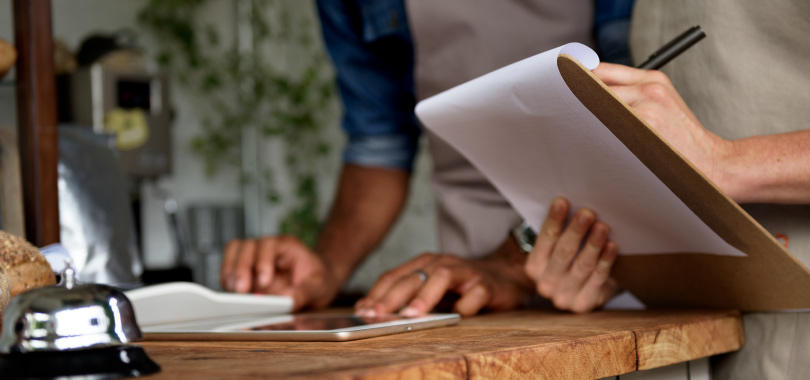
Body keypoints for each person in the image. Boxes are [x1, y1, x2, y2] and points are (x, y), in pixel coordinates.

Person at [220, 0, 633, 315]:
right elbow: (379, 142)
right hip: (474, 283)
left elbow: (636, 116)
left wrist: (511, 264)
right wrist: (327, 267)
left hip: (624, 265)